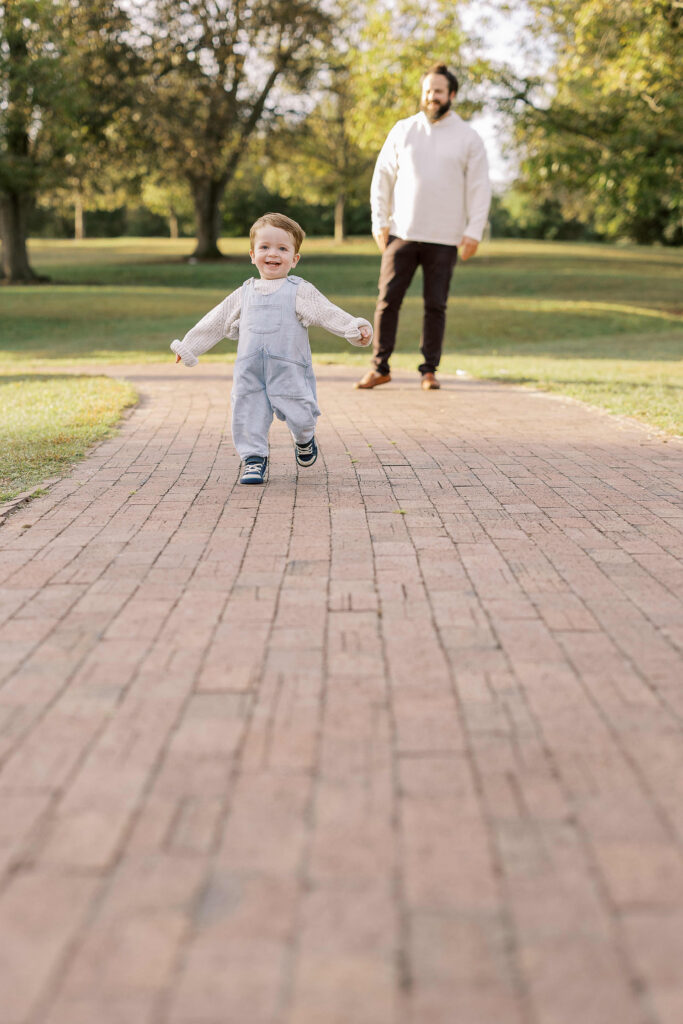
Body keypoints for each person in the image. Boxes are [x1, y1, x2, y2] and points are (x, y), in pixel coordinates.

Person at [171, 213, 372, 484]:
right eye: (265, 248)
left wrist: (353, 327)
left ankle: (304, 438)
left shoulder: (299, 290)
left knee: (302, 414)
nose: (272, 254)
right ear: (252, 255)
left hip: (289, 370)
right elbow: (216, 320)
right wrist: (190, 345)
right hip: (250, 372)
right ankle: (253, 460)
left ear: (294, 258)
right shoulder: (245, 292)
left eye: (282, 248)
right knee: (247, 412)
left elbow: (326, 312)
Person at [356, 63, 491, 391]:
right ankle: (380, 367)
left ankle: (429, 370)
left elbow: (479, 187)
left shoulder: (468, 137)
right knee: (388, 301)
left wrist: (473, 230)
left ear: (452, 95)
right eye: (428, 91)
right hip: (402, 232)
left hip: (445, 237)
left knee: (436, 305)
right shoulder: (403, 130)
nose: (432, 97)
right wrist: (379, 221)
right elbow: (382, 178)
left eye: (439, 91)